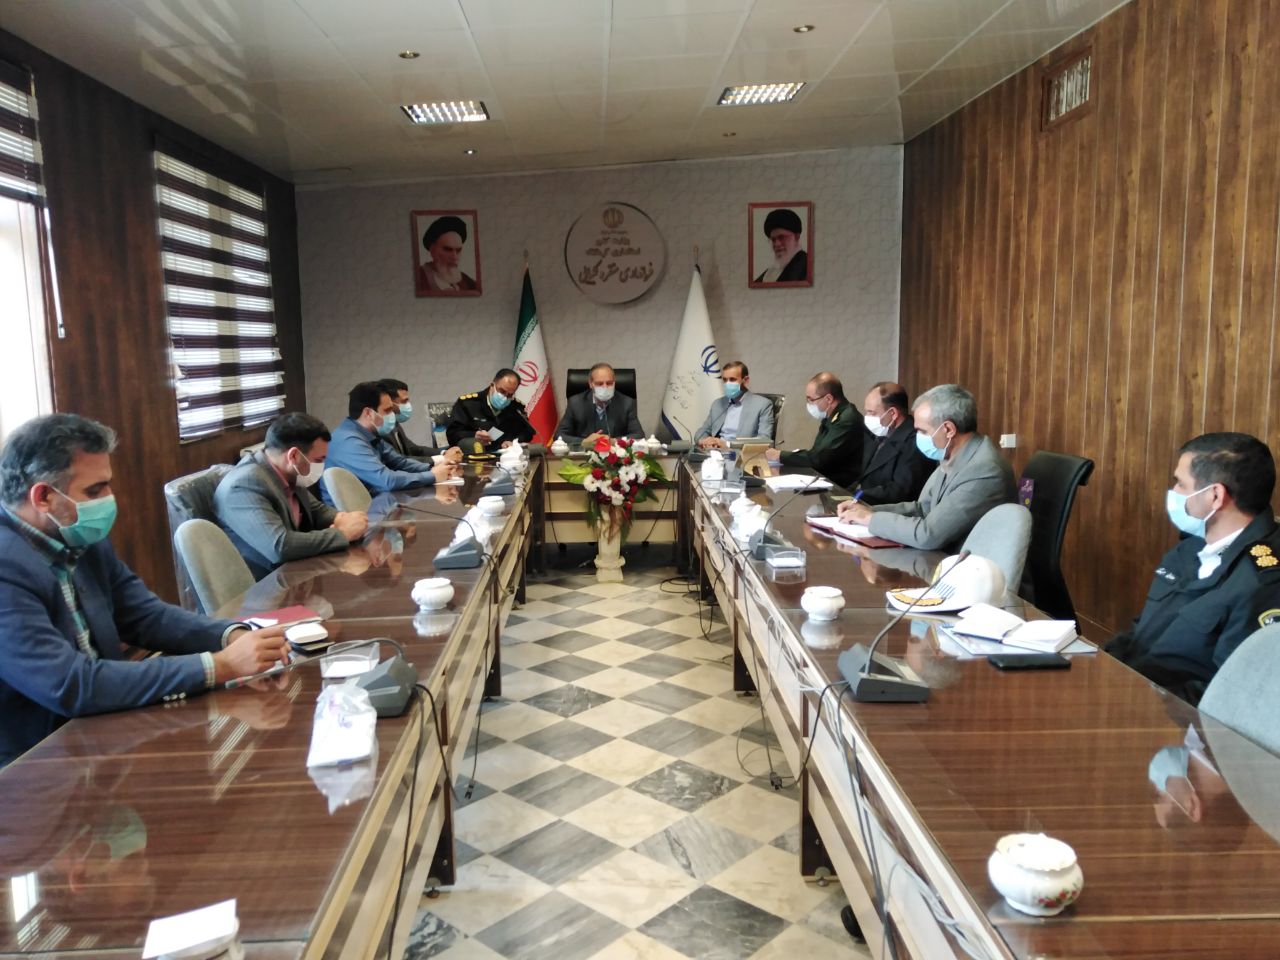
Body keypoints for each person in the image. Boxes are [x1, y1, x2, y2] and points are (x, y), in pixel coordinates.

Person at [0, 414, 290, 767]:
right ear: (43, 496)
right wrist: (220, 666)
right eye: (94, 490)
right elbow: (70, 684)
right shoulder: (6, 566)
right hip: (35, 764)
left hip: (104, 731)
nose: (109, 499)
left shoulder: (78, 535)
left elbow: (145, 616)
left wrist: (231, 636)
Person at [1105, 433, 1280, 705]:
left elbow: (1229, 695)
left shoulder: (1261, 584)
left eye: (1180, 484)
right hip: (1131, 690)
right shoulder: (1191, 548)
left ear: (1215, 495)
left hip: (1173, 716)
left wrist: (1137, 699)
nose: (1173, 493)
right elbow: (1143, 633)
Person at [838, 383, 1015, 549]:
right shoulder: (952, 453)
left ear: (948, 429)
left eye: (923, 431)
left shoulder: (983, 470)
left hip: (968, 564)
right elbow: (923, 508)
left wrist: (871, 519)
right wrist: (868, 511)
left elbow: (928, 535)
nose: (918, 437)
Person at [214, 412, 369, 580]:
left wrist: (343, 518)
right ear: (294, 456)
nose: (321, 466)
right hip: (267, 584)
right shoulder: (244, 485)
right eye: (318, 460)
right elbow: (280, 546)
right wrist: (342, 534)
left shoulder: (287, 471)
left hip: (298, 573)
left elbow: (315, 510)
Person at [323, 381, 457, 504]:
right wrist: (432, 475)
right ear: (368, 413)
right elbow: (387, 480)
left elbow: (400, 462)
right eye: (387, 411)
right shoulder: (350, 442)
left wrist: (437, 469)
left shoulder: (369, 434)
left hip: (376, 502)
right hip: (354, 514)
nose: (393, 415)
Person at [766, 372, 863, 490]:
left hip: (841, 487)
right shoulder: (833, 415)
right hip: (827, 479)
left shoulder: (846, 420)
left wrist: (779, 455)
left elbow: (818, 459)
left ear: (828, 399)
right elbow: (817, 453)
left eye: (811, 400)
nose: (809, 404)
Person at [856, 381, 935, 504]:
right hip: (864, 504)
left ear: (892, 413)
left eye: (872, 413)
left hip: (887, 509)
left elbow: (900, 491)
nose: (867, 417)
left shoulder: (914, 441)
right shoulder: (882, 431)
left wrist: (857, 495)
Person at [447, 368, 538, 454]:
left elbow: (527, 433)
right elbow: (452, 434)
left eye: (510, 395)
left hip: (505, 456)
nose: (505, 397)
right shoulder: (468, 404)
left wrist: (512, 441)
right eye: (502, 391)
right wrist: (474, 435)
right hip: (473, 457)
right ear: (492, 385)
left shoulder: (515, 407)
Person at [555, 362, 644, 448]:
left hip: (615, 455)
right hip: (585, 455)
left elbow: (639, 435)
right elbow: (559, 436)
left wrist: (613, 441)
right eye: (599, 384)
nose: (605, 387)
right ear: (591, 384)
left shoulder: (626, 403)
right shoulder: (576, 403)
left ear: (614, 383)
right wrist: (584, 442)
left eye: (609, 383)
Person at [694, 361, 775, 449]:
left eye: (732, 379)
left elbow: (764, 440)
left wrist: (727, 444)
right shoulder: (717, 404)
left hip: (741, 453)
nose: (727, 383)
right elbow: (702, 431)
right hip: (715, 451)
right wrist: (704, 440)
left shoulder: (763, 405)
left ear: (746, 380)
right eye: (725, 380)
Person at [378, 377, 463, 463]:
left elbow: (414, 449)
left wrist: (445, 452)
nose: (408, 404)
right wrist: (443, 458)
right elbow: (399, 461)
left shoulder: (394, 423)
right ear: (389, 401)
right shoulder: (381, 430)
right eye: (404, 401)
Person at [417, 215, 477, 293]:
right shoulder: (419, 278)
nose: (455, 257)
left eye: (458, 250)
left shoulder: (470, 284)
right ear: (433, 251)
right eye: (448, 250)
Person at [754, 208, 809, 284]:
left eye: (782, 237)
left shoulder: (807, 265)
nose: (777, 244)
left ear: (797, 237)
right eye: (773, 239)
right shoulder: (771, 271)